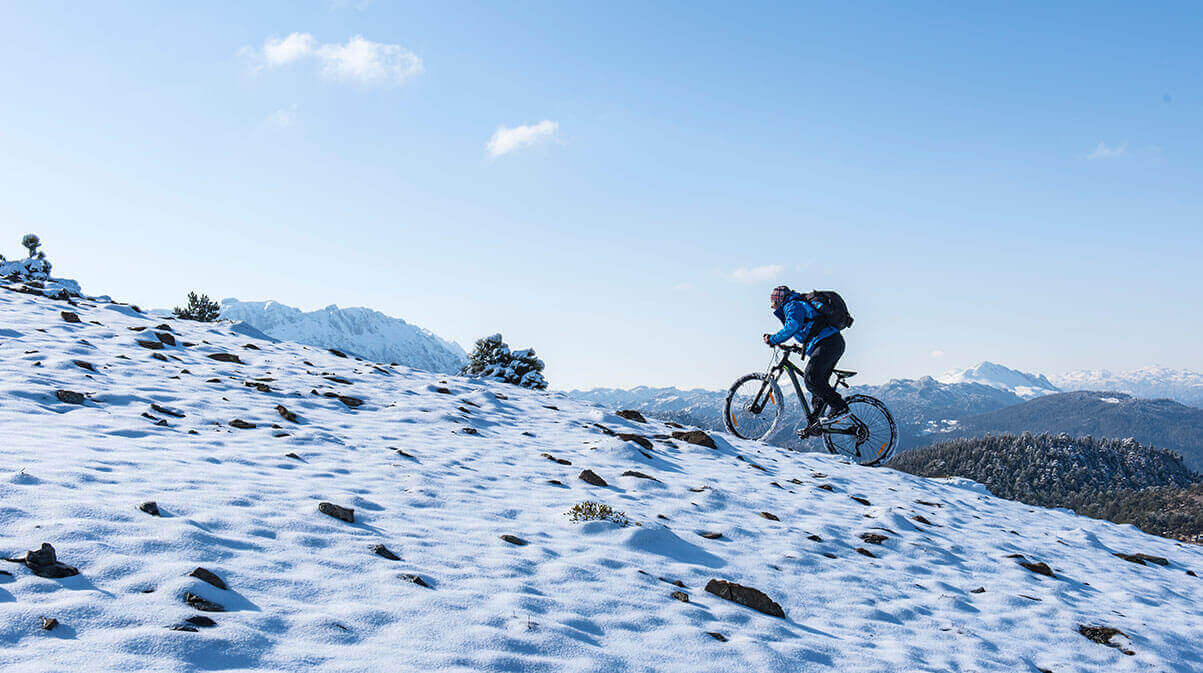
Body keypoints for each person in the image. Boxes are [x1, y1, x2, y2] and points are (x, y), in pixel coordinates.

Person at [762, 285, 850, 427]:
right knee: (817, 385)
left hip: (828, 343)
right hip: (830, 343)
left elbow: (793, 326)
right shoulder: (796, 303)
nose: (772, 307)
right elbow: (808, 329)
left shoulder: (792, 305)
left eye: (773, 302)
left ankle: (840, 407)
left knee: (811, 378)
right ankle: (817, 422)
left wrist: (773, 339)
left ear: (779, 299)